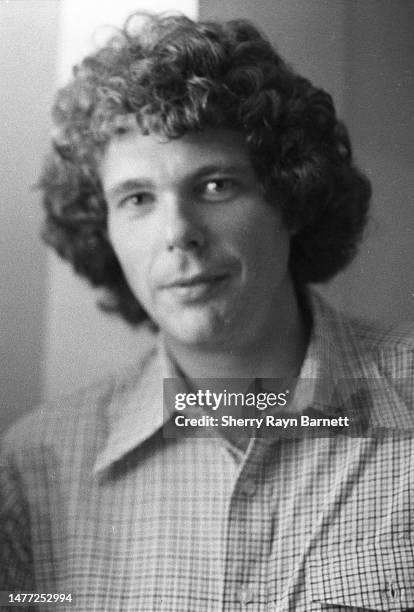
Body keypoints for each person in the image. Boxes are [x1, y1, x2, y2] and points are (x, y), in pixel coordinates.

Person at [1, 12, 413, 612]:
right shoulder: (33, 470)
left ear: (290, 198)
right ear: (105, 227)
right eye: (137, 198)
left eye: (216, 185)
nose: (179, 235)